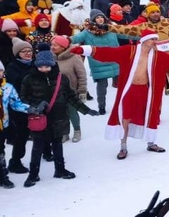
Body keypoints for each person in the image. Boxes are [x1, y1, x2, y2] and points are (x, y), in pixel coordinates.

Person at [70, 30, 169, 159]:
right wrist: (85, 50)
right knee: (125, 117)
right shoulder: (129, 51)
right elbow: (108, 52)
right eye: (153, 39)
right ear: (145, 40)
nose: (155, 42)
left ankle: (151, 143)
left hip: (146, 91)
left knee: (149, 115)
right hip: (129, 90)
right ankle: (123, 146)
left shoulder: (158, 56)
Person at [109, 4, 169, 121]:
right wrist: (107, 27)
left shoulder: (168, 23)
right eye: (152, 12)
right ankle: (156, 114)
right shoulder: (143, 27)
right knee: (156, 90)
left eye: (157, 11)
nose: (156, 14)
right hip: (155, 62)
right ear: (147, 14)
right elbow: (125, 29)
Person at [19, 44, 97, 187]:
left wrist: (86, 110)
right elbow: (23, 97)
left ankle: (60, 169)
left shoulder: (62, 78)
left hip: (58, 117)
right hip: (39, 118)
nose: (44, 70)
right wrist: (37, 104)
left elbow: (70, 97)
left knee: (57, 144)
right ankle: (33, 174)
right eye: (40, 67)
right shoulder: (29, 79)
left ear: (52, 65)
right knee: (38, 146)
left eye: (47, 67)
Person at [0, 60, 35, 188]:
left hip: (3, 125)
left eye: (0, 70)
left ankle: (2, 176)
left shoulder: (8, 87)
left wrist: (30, 108)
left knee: (1, 150)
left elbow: (16, 104)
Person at [49, 36, 87, 143]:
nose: (52, 47)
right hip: (56, 92)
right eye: (51, 45)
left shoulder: (74, 57)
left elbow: (81, 74)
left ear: (63, 47)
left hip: (71, 92)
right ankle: (65, 132)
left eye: (55, 45)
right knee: (61, 114)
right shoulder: (51, 58)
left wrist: (82, 91)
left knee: (72, 112)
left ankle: (77, 130)